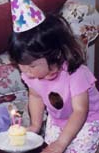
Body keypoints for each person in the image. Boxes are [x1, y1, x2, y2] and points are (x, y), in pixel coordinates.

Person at [8, 13, 99, 153]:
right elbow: (36, 96)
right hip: (57, 120)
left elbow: (80, 111)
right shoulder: (29, 74)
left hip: (86, 120)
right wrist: (35, 125)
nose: (26, 72)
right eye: (20, 65)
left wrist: (61, 143)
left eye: (32, 66)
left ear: (54, 55)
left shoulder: (76, 73)